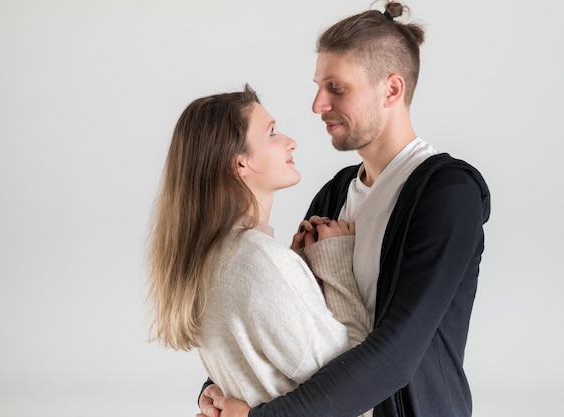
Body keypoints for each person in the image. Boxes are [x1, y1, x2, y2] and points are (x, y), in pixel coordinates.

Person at [197, 2, 491, 417]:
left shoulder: (447, 194)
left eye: (336, 87)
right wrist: (217, 387)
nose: (317, 104)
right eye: (318, 86)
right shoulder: (334, 196)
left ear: (392, 90)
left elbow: (398, 354)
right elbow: (290, 325)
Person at [146, 85, 372, 410]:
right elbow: (354, 386)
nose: (290, 141)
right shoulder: (260, 260)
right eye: (272, 133)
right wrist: (334, 263)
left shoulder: (209, 257)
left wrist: (302, 272)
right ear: (240, 165)